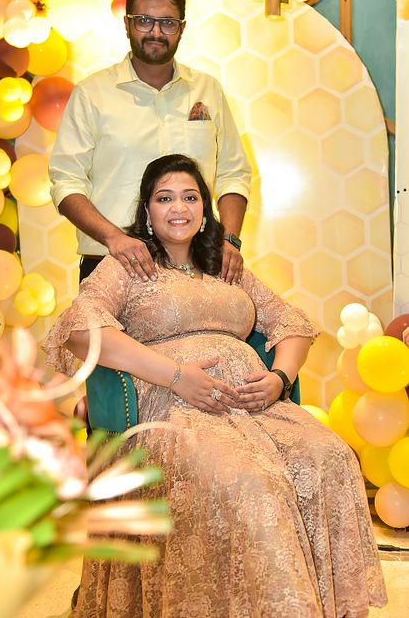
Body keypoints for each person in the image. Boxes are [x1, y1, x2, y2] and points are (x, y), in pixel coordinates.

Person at [43, 154, 386, 618]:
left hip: (255, 403)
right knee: (248, 480)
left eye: (190, 197)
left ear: (205, 209)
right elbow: (81, 329)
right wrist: (176, 376)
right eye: (164, 198)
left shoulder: (226, 265)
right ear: (147, 210)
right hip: (174, 403)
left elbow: (291, 323)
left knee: (330, 457)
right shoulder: (127, 265)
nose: (178, 208)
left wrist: (280, 378)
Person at [49, 0, 251, 286]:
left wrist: (230, 240)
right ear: (127, 25)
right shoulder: (92, 94)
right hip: (113, 263)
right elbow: (66, 181)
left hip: (198, 264)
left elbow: (233, 172)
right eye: (144, 21)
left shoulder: (207, 89)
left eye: (167, 23)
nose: (155, 32)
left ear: (182, 28)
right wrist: (114, 238)